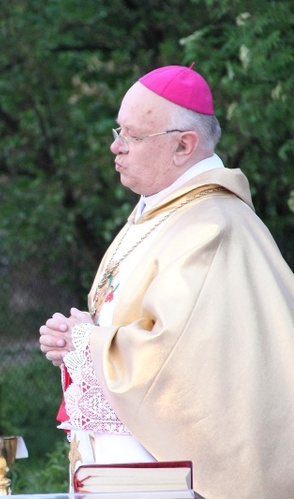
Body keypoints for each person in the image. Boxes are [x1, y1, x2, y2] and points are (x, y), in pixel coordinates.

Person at [39, 64, 294, 498]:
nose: (116, 148)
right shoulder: (159, 214)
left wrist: (90, 343)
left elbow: (175, 359)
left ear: (184, 145)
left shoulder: (212, 227)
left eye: (133, 136)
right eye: (117, 131)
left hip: (179, 472)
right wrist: (76, 341)